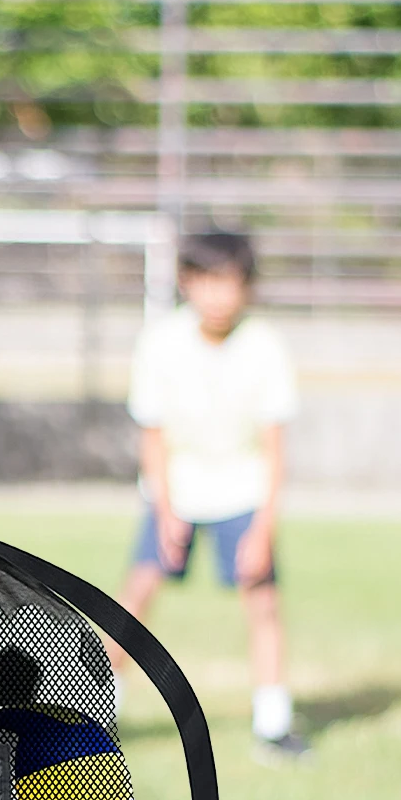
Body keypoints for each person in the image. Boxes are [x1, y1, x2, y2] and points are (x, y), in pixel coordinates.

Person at [113, 229, 309, 761]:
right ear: (186, 283)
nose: (219, 295)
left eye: (230, 283)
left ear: (247, 287)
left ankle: (274, 726)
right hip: (174, 490)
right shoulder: (161, 342)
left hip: (241, 494)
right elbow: (152, 434)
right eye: (208, 282)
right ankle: (94, 716)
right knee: (135, 602)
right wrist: (166, 508)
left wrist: (263, 529)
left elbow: (273, 448)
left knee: (264, 604)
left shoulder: (264, 345)